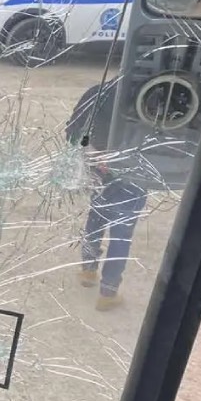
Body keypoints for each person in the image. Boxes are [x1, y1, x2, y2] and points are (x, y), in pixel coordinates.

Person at [66, 81, 149, 311]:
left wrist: (95, 156)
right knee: (121, 235)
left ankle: (88, 271)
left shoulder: (98, 92)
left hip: (99, 173)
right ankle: (108, 293)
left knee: (96, 218)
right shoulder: (156, 99)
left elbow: (73, 131)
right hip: (135, 176)